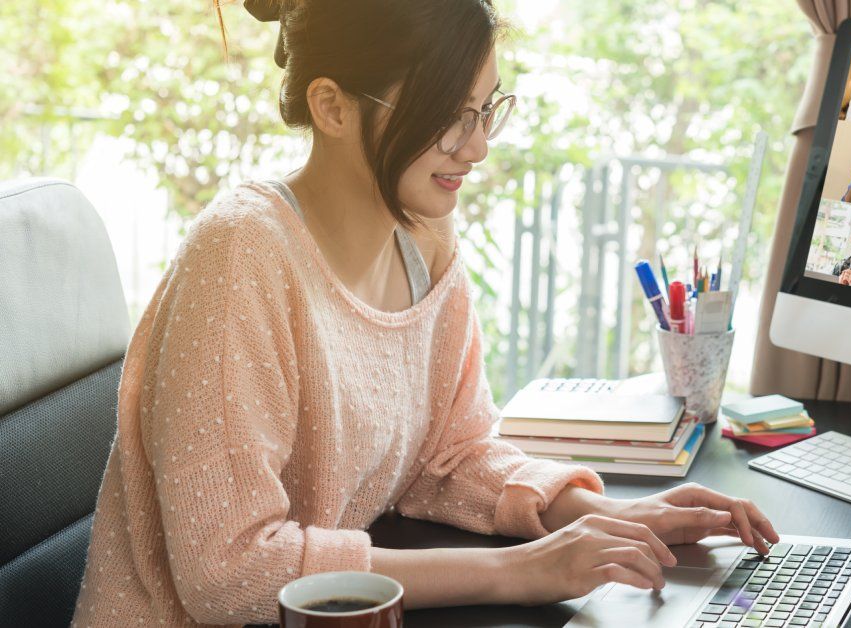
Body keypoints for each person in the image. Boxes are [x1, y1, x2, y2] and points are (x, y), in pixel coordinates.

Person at [70, 2, 779, 625]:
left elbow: (449, 455)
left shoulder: (423, 239)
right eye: (448, 116)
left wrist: (611, 519)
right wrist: (521, 573)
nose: (477, 147)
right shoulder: (241, 256)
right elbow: (227, 572)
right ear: (333, 106)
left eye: (484, 110)